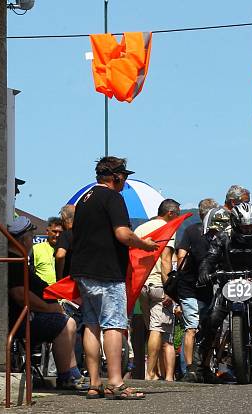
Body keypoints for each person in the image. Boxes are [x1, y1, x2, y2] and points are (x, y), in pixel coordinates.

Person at [69, 156, 157, 400]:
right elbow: (122, 234)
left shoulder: (84, 199)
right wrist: (144, 244)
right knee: (114, 324)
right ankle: (116, 382)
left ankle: (94, 382)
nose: (125, 181)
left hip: (83, 269)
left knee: (91, 323)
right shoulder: (113, 197)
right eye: (124, 177)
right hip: (106, 270)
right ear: (116, 177)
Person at [191, 202, 252, 383]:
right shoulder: (222, 238)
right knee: (209, 320)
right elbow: (209, 259)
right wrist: (204, 272)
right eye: (244, 226)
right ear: (235, 224)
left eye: (251, 226)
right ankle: (198, 367)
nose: (248, 229)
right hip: (226, 288)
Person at [6, 216, 87, 390]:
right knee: (66, 323)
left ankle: (72, 372)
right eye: (31, 237)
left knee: (68, 321)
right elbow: (20, 294)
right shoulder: (14, 262)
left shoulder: (19, 261)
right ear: (24, 239)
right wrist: (49, 308)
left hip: (30, 315)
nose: (32, 242)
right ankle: (66, 376)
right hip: (21, 320)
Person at [135, 199, 181, 382]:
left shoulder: (140, 229)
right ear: (170, 213)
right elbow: (165, 261)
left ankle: (155, 371)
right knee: (157, 329)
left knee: (150, 328)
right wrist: (169, 289)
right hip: (157, 284)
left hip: (141, 285)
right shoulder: (166, 229)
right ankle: (151, 373)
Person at [176, 198, 218, 381]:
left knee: (191, 328)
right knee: (206, 328)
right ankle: (200, 367)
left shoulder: (190, 230)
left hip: (189, 285)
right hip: (202, 288)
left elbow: (181, 256)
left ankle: (191, 368)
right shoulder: (218, 234)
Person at [33, 217, 64, 286]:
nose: (57, 235)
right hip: (44, 292)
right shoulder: (36, 248)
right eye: (54, 231)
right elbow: (30, 273)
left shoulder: (65, 249)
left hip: (64, 293)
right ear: (47, 231)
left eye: (60, 232)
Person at [55, 205, 76, 281]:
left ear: (64, 219)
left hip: (69, 282)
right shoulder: (87, 234)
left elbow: (60, 255)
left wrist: (59, 278)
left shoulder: (66, 235)